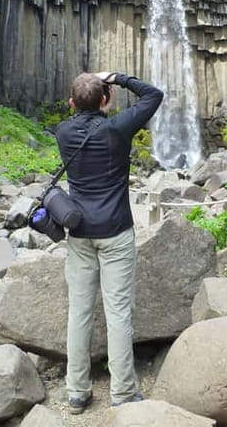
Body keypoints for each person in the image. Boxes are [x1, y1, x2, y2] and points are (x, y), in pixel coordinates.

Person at [55, 71, 163, 414]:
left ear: (71, 103)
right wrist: (117, 78)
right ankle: (123, 392)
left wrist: (94, 93)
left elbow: (83, 114)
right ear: (106, 100)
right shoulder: (117, 129)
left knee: (80, 313)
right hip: (115, 231)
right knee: (118, 314)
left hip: (80, 233)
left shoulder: (63, 132)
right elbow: (153, 95)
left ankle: (77, 392)